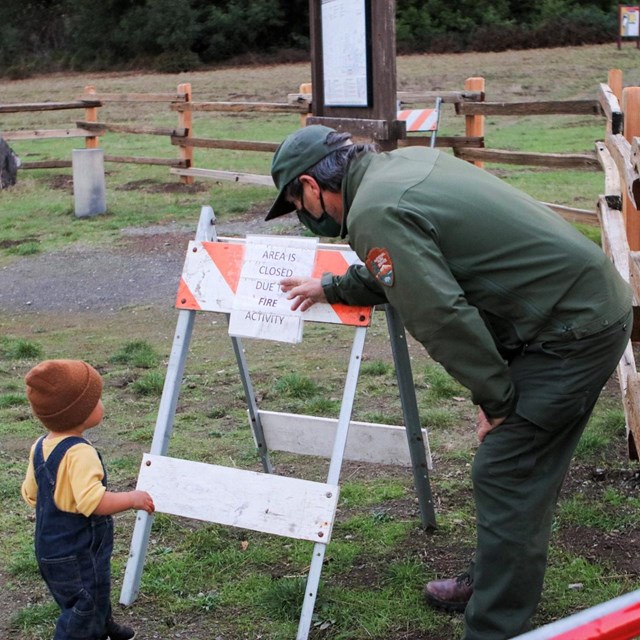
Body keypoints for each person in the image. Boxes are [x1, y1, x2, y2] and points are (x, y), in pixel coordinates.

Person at [264, 125, 633, 639]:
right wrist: (333, 286)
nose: (302, 217)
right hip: (564, 309)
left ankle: (494, 625)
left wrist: (498, 399)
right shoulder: (397, 170)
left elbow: (442, 317)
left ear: (309, 185)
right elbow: (408, 264)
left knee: (507, 469)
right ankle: (490, 584)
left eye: (294, 203)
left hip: (571, 329)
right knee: (514, 466)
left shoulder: (374, 210)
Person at [21, 359, 155, 640]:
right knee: (84, 604)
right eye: (96, 400)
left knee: (88, 591)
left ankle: (103, 625)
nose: (101, 404)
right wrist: (132, 498)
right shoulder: (79, 453)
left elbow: (32, 495)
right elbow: (93, 504)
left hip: (49, 548)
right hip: (79, 549)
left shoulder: (40, 446)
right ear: (81, 413)